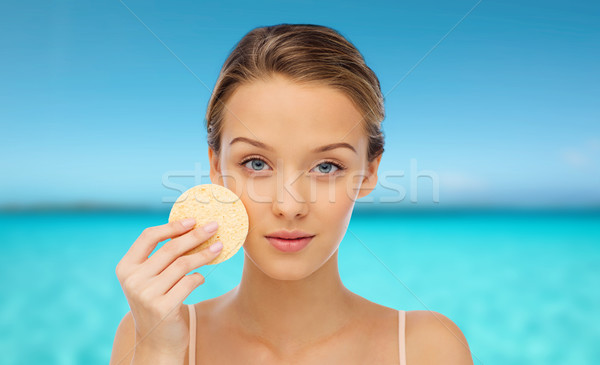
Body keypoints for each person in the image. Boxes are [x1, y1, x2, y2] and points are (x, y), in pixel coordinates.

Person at [110, 23, 473, 365]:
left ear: (369, 171)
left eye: (327, 167)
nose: (289, 206)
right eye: (256, 163)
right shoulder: (148, 334)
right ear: (217, 169)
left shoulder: (428, 347)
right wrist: (159, 353)